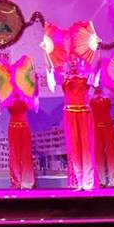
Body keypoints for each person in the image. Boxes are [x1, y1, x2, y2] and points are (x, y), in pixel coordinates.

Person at [45, 53, 98, 192]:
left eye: (77, 60)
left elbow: (96, 65)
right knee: (74, 148)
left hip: (85, 113)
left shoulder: (86, 77)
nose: (74, 62)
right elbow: (49, 67)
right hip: (70, 113)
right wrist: (45, 51)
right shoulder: (64, 78)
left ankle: (88, 182)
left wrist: (97, 48)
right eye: (71, 60)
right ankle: (79, 181)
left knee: (86, 148)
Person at [0, 64, 37, 190]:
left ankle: (27, 182)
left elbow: (35, 95)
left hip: (25, 127)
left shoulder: (26, 96)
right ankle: (16, 181)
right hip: (13, 127)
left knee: (26, 154)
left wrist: (36, 81)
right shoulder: (9, 97)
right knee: (14, 154)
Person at [90, 85, 114, 188]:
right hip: (96, 128)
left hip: (108, 127)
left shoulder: (108, 97)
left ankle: (113, 181)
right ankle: (101, 181)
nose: (98, 87)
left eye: (99, 84)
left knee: (111, 154)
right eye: (96, 85)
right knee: (98, 155)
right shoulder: (90, 98)